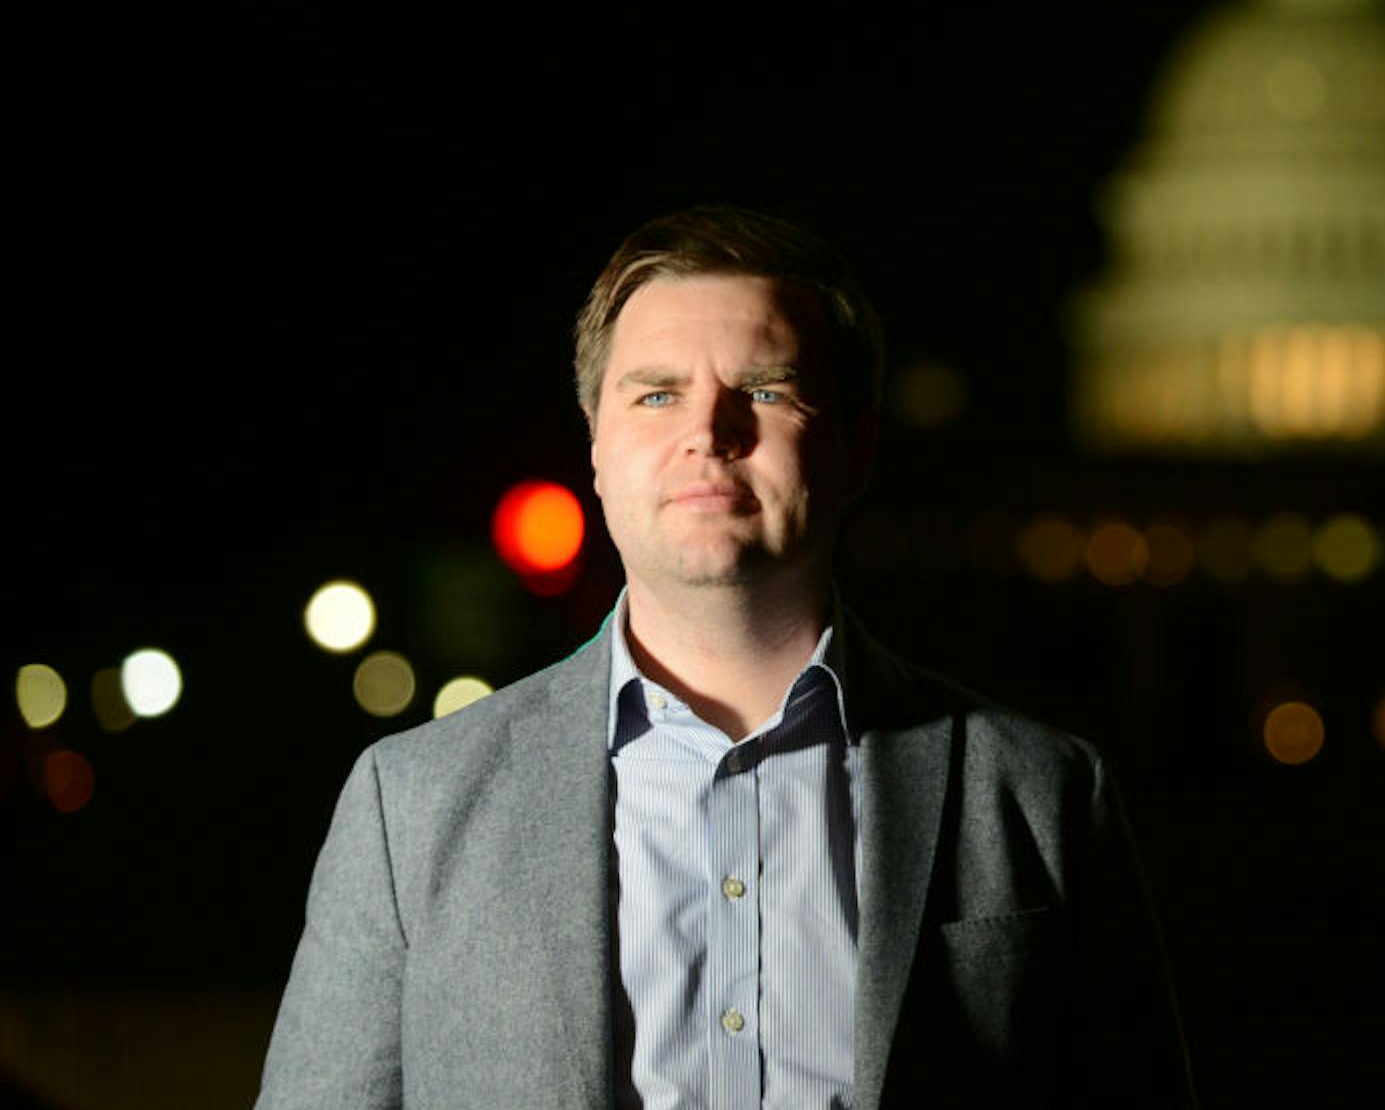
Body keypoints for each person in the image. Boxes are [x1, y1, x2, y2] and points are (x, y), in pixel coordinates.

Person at [255, 205, 1196, 1109]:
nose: (709, 432)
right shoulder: (408, 806)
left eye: (764, 390)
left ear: (857, 445)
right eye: (658, 394)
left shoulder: (1043, 795)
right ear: (596, 446)